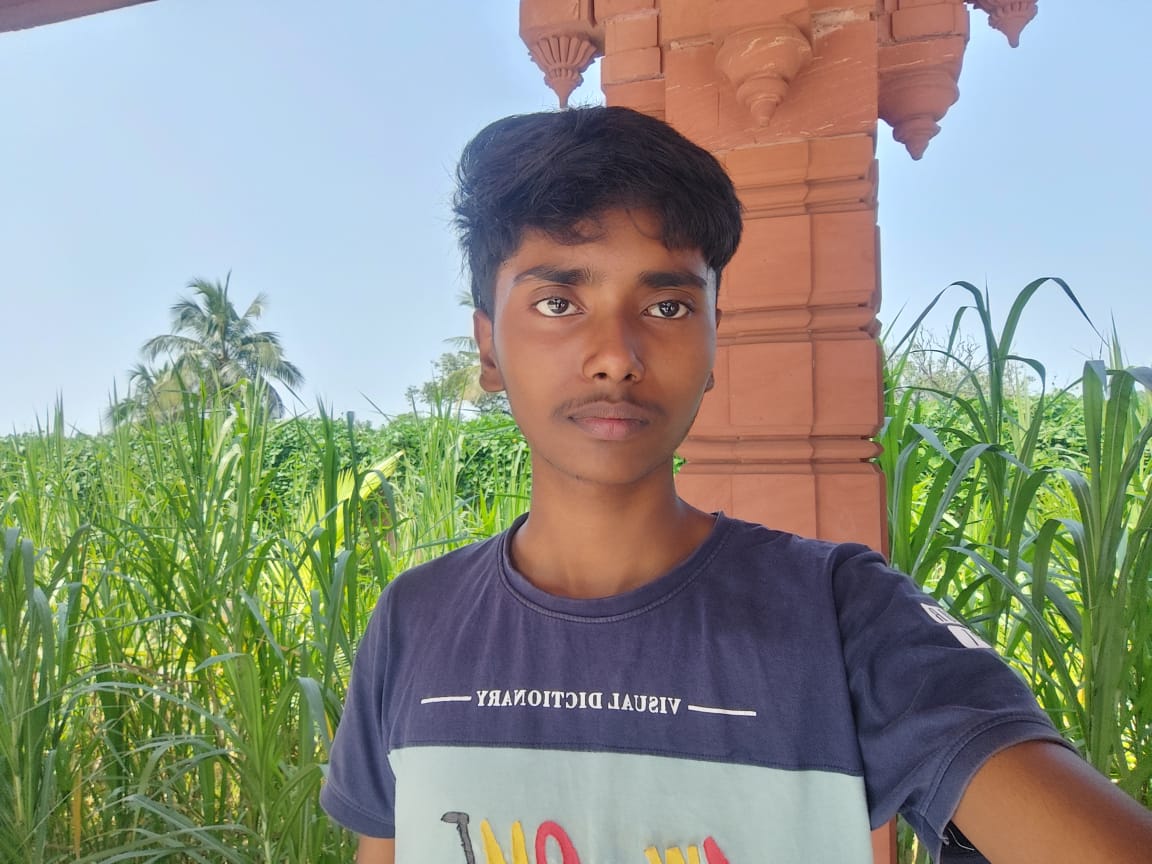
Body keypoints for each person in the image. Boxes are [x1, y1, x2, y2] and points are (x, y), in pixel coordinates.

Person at [320, 106, 1152, 864]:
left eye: (668, 307)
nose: (616, 356)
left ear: (714, 339)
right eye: (558, 302)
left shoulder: (845, 615)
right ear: (488, 348)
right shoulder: (414, 622)